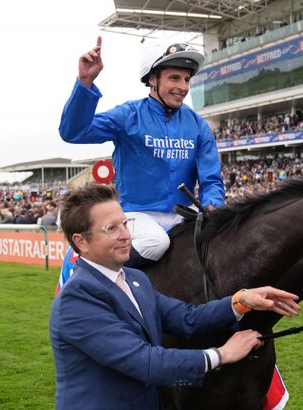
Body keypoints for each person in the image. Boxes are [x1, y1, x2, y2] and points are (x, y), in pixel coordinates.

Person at [43, 183, 301, 410]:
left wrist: (240, 300)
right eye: (110, 229)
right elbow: (146, 362)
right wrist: (221, 355)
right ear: (81, 242)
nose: (124, 235)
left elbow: (187, 318)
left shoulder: (133, 279)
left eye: (124, 224)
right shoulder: (78, 301)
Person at [59, 37, 225, 267]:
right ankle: (102, 276)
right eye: (174, 78)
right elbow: (73, 132)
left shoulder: (198, 125)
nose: (183, 87)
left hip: (182, 215)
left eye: (187, 79)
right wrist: (85, 83)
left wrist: (213, 203)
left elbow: (211, 179)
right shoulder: (129, 115)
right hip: (136, 215)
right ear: (152, 79)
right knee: (156, 242)